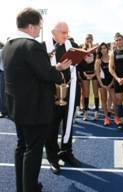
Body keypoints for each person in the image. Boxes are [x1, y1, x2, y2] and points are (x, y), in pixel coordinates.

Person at [2, 8, 71, 192]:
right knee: (33, 151)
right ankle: (30, 188)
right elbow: (48, 75)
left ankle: (21, 186)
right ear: (31, 26)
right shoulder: (33, 46)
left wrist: (53, 66)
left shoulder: (8, 45)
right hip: (35, 109)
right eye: (39, 26)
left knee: (21, 147)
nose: (40, 30)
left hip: (17, 107)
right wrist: (60, 69)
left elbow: (32, 72)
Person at [44, 22, 81, 174]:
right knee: (51, 127)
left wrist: (88, 59)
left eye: (67, 32)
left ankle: (66, 152)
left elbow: (82, 65)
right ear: (53, 32)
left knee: (68, 125)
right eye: (63, 32)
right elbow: (38, 71)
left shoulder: (72, 45)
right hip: (50, 93)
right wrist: (54, 66)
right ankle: (52, 157)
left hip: (71, 92)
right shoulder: (42, 47)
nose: (66, 35)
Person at [95, 42, 116, 125]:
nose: (103, 50)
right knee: (103, 100)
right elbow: (97, 74)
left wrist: (111, 83)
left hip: (111, 82)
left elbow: (114, 71)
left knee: (115, 100)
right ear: (100, 50)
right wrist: (102, 84)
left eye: (105, 48)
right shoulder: (98, 61)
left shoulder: (111, 58)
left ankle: (116, 117)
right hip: (102, 83)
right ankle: (106, 118)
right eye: (102, 48)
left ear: (107, 49)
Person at [80, 34, 99, 121]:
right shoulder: (82, 50)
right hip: (85, 74)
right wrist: (85, 74)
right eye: (87, 39)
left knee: (95, 92)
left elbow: (97, 63)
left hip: (94, 74)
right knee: (86, 93)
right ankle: (86, 112)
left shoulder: (96, 50)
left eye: (90, 39)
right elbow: (81, 64)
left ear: (92, 39)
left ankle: (96, 112)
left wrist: (94, 74)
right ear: (85, 40)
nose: (89, 40)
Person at [0, 41, 8, 118]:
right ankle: (3, 111)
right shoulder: (2, 51)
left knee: (3, 93)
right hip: (3, 72)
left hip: (5, 72)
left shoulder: (3, 51)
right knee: (3, 93)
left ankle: (4, 111)